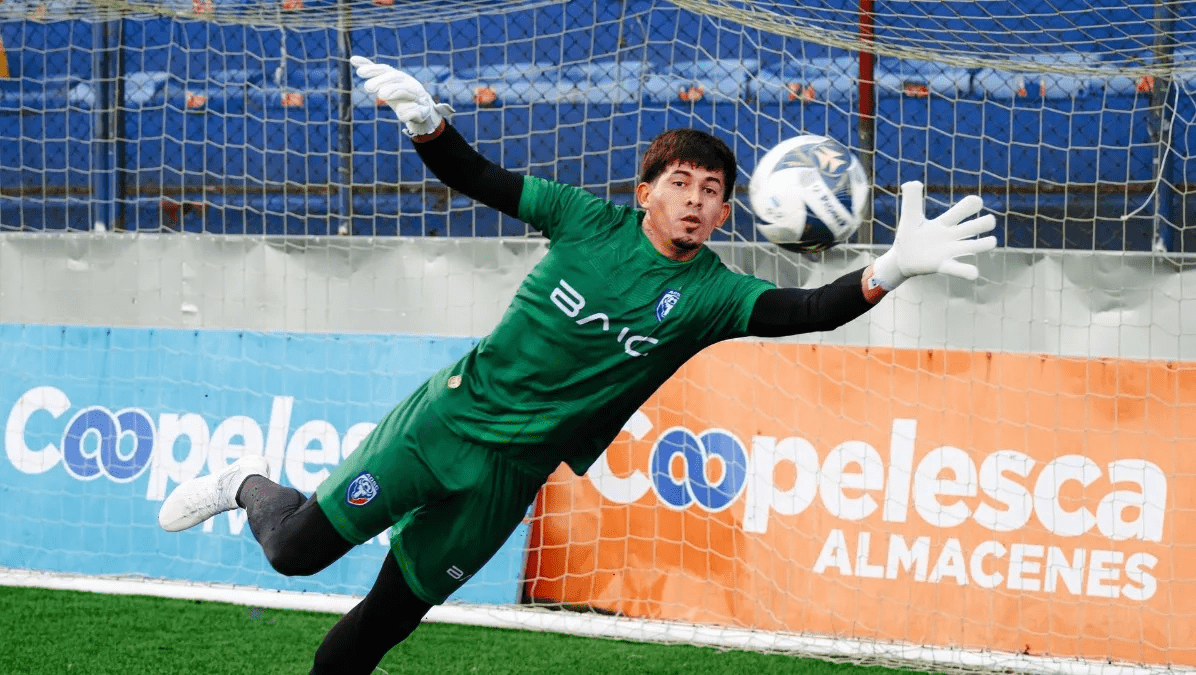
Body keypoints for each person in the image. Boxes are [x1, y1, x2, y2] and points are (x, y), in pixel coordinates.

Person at [158, 55, 997, 674]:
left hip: (508, 478)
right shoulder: (582, 220)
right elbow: (477, 176)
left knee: (384, 622)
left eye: (713, 189)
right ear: (646, 192)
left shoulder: (709, 294)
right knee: (297, 552)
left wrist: (888, 269)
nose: (697, 199)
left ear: (729, 208)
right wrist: (426, 123)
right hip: (444, 424)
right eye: (681, 182)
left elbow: (807, 309)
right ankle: (245, 482)